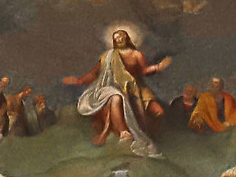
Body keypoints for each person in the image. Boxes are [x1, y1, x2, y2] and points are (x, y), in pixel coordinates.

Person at [62, 26, 171, 157]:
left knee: (158, 111)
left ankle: (150, 138)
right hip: (114, 87)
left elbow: (144, 71)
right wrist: (79, 81)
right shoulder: (108, 56)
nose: (119, 39)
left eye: (121, 37)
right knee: (115, 97)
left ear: (127, 38)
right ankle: (123, 133)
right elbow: (94, 73)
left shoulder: (136, 54)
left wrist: (158, 67)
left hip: (136, 88)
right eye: (116, 38)